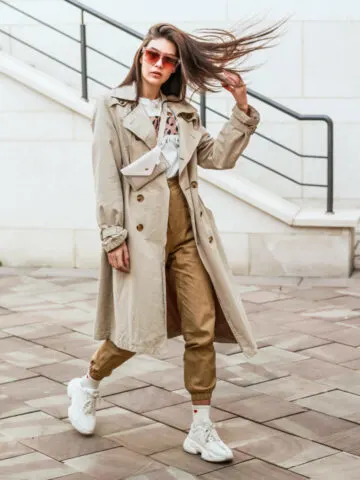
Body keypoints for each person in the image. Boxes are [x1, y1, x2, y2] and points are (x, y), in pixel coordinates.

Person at [67, 22, 278, 463]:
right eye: (152, 55)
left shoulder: (183, 113)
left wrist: (241, 106)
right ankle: (86, 383)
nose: (158, 65)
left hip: (188, 235)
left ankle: (201, 427)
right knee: (134, 332)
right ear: (140, 55)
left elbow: (217, 157)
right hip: (141, 236)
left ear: (175, 67)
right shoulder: (111, 106)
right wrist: (112, 236)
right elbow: (105, 175)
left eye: (167, 60)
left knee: (200, 329)